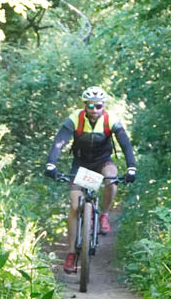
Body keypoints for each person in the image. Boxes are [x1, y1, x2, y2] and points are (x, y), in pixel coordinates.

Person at [45, 85, 137, 273]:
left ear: (104, 106)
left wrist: (131, 167)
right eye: (91, 106)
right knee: (74, 206)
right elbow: (59, 142)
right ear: (85, 106)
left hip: (102, 161)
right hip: (81, 165)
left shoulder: (110, 120)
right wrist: (51, 164)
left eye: (99, 106)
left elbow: (125, 144)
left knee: (111, 177)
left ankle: (104, 215)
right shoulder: (75, 119)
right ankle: (71, 253)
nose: (95, 110)